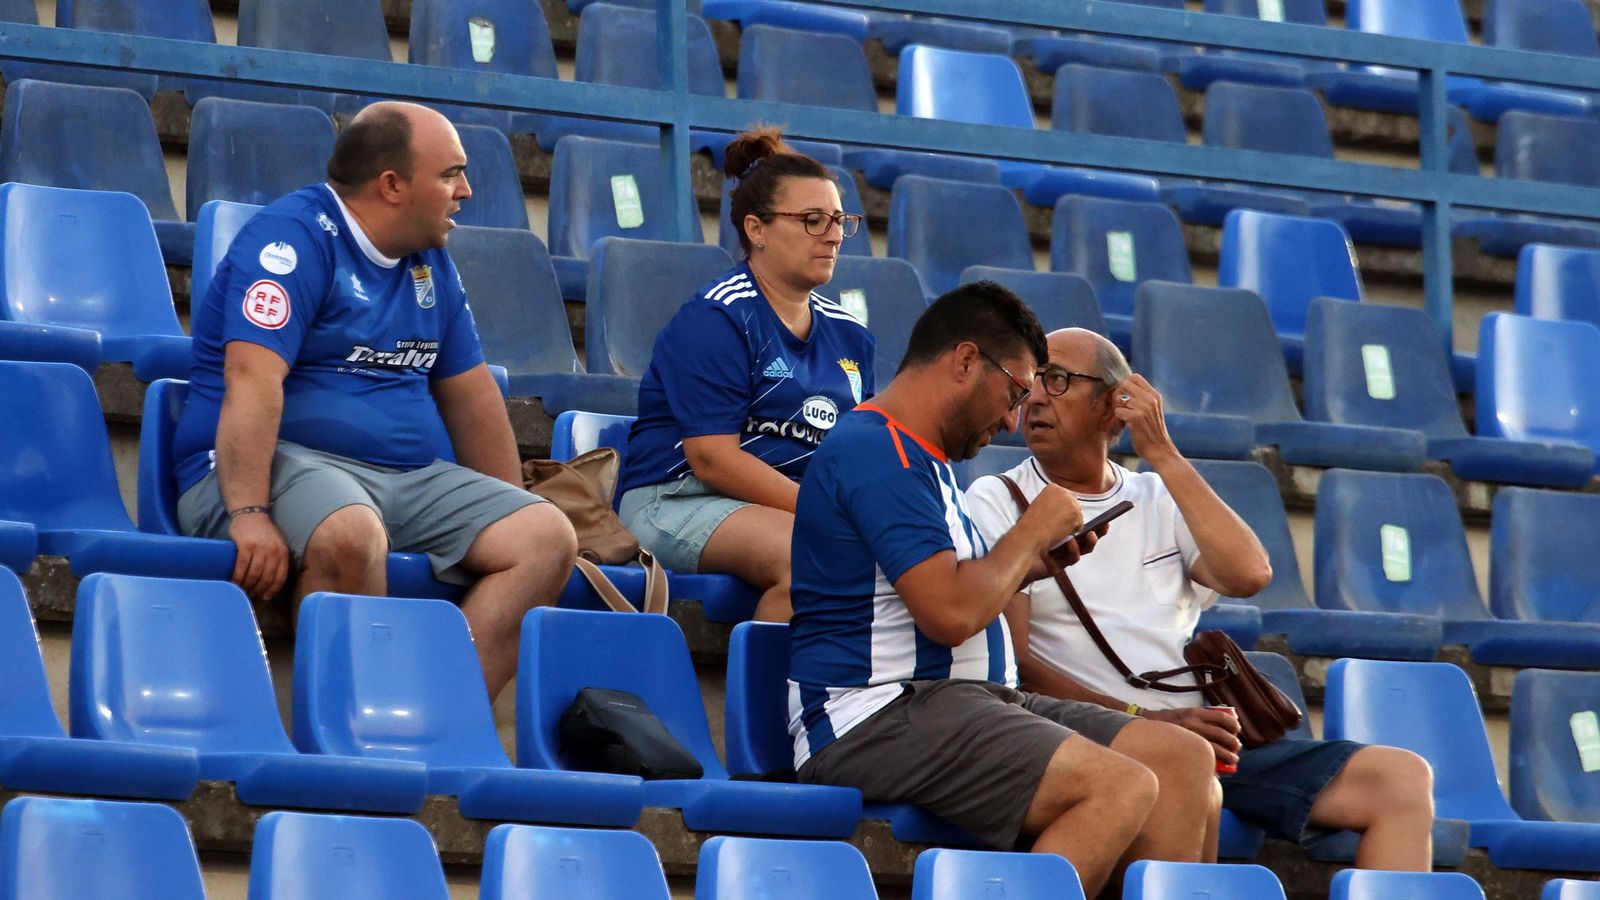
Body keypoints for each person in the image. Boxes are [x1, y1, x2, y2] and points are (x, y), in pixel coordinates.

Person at [788, 284, 1221, 896]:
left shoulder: (923, 458)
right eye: (1017, 391)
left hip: (966, 702)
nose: (1016, 418)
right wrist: (1031, 531)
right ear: (966, 361)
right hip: (876, 715)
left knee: (1182, 759)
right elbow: (949, 614)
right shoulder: (877, 451)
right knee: (1119, 785)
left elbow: (953, 590)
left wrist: (1031, 566)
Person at [965, 327, 1437, 870]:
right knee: (1188, 769)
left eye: (1058, 379)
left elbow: (1250, 573)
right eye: (1032, 382)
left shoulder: (1157, 495)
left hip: (1200, 733)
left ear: (1113, 404)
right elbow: (1017, 665)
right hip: (1094, 737)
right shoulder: (999, 499)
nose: (1035, 398)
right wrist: (1148, 721)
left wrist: (1162, 453)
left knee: (1400, 781)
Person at [171, 101, 577, 701]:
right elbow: (252, 380)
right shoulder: (291, 240)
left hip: (399, 480)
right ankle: (354, 727)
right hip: (263, 469)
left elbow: (470, 395)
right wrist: (249, 513)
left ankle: (441, 717)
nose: (465, 191)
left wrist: (504, 504)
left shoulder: (429, 262)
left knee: (545, 537)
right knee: (351, 531)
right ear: (391, 185)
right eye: (450, 174)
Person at [617, 127, 875, 623]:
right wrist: (824, 510)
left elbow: (854, 455)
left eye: (840, 221)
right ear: (756, 229)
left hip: (787, 508)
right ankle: (768, 679)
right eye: (813, 220)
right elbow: (712, 459)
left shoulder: (852, 336)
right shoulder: (719, 316)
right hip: (678, 498)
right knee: (816, 560)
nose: (834, 235)